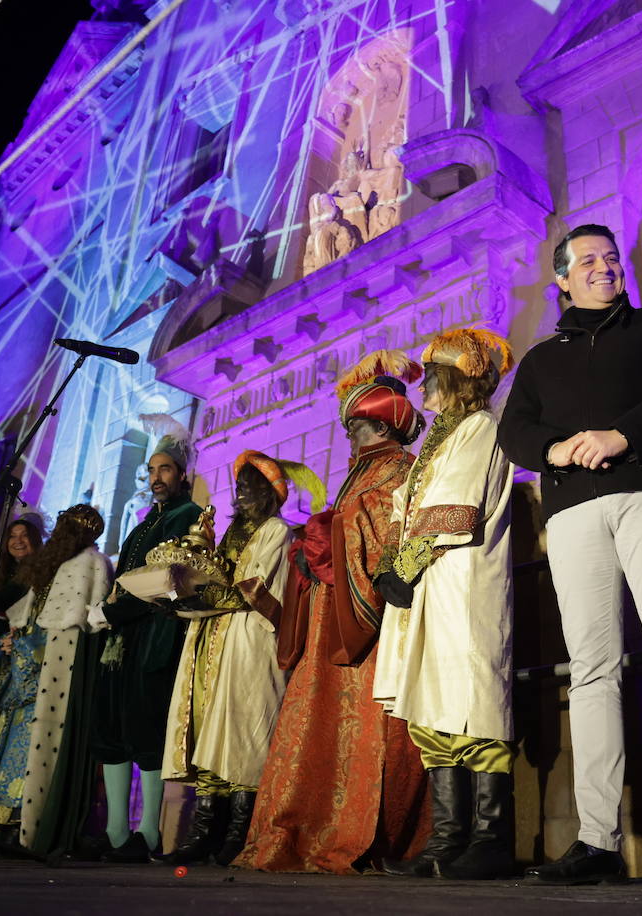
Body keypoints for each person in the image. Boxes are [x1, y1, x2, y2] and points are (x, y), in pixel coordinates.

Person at [497, 223, 642, 887]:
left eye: (611, 258)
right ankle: (596, 841)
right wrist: (558, 450)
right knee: (591, 667)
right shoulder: (539, 362)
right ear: (562, 280)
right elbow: (515, 431)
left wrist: (621, 434)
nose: (604, 267)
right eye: (587, 261)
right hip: (571, 513)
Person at [243, 351, 431, 874]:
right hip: (331, 608)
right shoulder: (362, 471)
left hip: (370, 621)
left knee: (369, 728)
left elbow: (387, 533)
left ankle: (361, 831)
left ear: (375, 428)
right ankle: (307, 820)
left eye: (355, 429)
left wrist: (328, 536)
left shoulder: (398, 470)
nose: (349, 438)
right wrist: (318, 541)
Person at [373, 329, 517, 881]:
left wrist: (400, 566)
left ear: (460, 377)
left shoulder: (480, 427)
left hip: (461, 579)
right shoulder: (442, 434)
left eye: (435, 371)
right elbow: (408, 503)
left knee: (473, 700)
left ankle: (490, 840)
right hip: (429, 581)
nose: (426, 380)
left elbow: (455, 508)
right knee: (434, 706)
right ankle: (447, 839)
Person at [160, 450, 323, 867]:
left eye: (251, 487)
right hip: (213, 635)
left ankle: (239, 831)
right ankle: (205, 831)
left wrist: (201, 591)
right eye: (240, 487)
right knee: (210, 731)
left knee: (244, 733)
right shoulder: (230, 534)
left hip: (249, 640)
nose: (242, 494)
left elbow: (252, 590)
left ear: (270, 494)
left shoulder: (275, 531)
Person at [0, 505, 110, 854]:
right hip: (24, 672)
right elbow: (30, 614)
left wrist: (30, 643)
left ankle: (23, 825)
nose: (60, 536)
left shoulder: (90, 563)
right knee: (9, 748)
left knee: (37, 749)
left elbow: (77, 623)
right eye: (60, 527)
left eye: (68, 529)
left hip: (52, 673)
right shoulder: (50, 568)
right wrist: (12, 640)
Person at [88, 434, 203, 862]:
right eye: (152, 470)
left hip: (156, 636)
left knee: (147, 730)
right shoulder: (141, 524)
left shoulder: (186, 515)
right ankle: (117, 832)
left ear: (181, 473)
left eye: (165, 469)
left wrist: (112, 615)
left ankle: (149, 833)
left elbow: (168, 580)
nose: (156, 477)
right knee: (113, 730)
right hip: (123, 641)